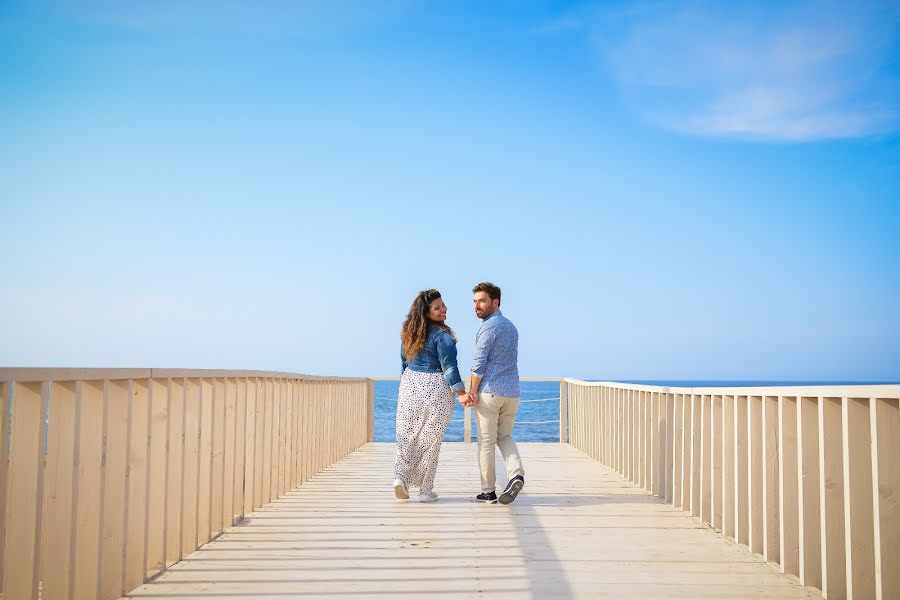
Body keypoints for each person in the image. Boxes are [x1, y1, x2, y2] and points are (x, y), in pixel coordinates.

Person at [394, 289, 469, 502]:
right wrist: (462, 393)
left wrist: (406, 385)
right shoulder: (442, 335)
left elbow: (403, 361)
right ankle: (425, 491)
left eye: (443, 305)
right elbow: (449, 368)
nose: (443, 310)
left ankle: (401, 477)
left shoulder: (408, 331)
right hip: (436, 387)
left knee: (406, 434)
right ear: (426, 312)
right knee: (430, 439)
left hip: (410, 384)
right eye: (437, 308)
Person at [467, 282, 525, 504]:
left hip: (490, 392)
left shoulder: (488, 327)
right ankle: (516, 475)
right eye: (474, 302)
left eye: (482, 301)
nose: (477, 306)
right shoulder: (511, 327)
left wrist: (472, 390)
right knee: (505, 437)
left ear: (495, 302)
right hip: (512, 393)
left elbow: (478, 363)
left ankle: (488, 491)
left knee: (487, 442)